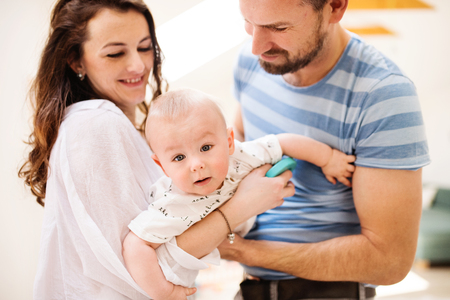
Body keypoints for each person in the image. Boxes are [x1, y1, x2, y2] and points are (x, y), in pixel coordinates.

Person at [18, 1, 295, 299]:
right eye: (115, 53)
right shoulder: (96, 122)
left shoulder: (116, 124)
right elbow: (142, 266)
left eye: (145, 47)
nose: (138, 66)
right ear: (76, 61)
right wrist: (242, 205)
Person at [218, 0, 432, 299]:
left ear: (335, 7)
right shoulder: (250, 62)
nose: (256, 46)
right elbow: (241, 146)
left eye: (278, 28)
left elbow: (389, 262)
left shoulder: (383, 95)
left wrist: (243, 251)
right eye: (248, 23)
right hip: (251, 287)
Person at [122, 88, 356, 299]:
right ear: (162, 166)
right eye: (178, 158)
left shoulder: (242, 157)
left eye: (205, 148)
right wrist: (164, 291)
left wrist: (329, 158)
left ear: (229, 141)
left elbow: (283, 143)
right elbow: (135, 245)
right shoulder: (172, 204)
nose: (196, 165)